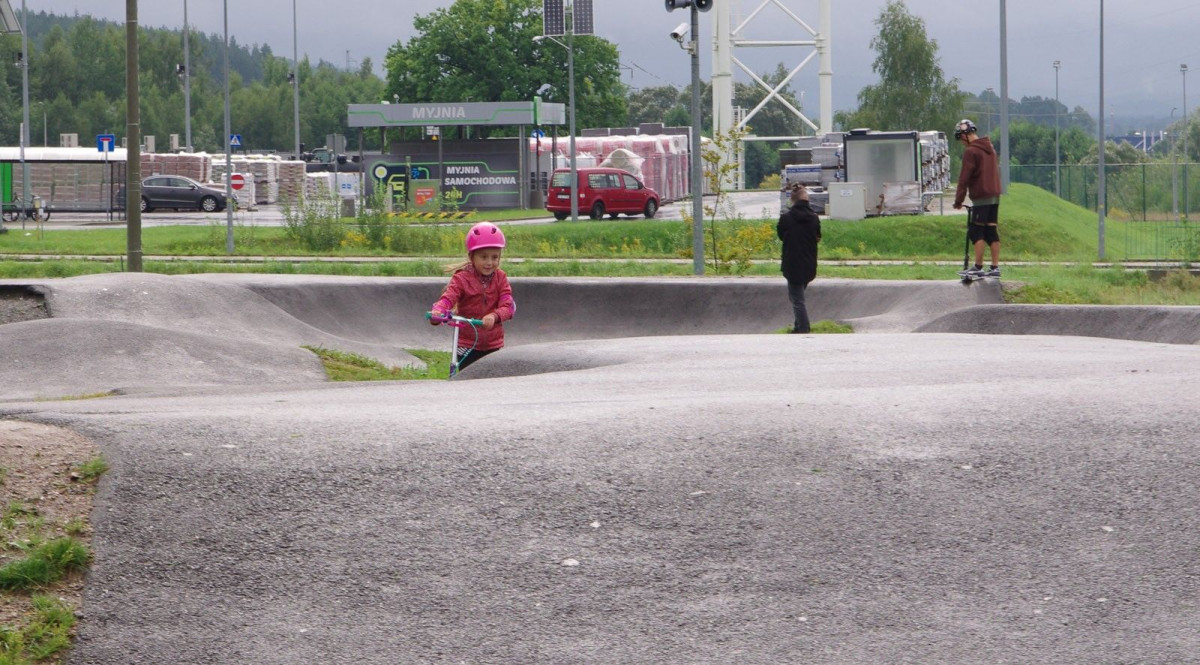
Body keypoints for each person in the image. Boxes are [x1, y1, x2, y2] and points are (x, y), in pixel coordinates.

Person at [429, 221, 516, 371]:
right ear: (471, 257)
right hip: (466, 344)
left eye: (494, 257)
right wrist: (439, 310)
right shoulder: (461, 278)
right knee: (466, 380)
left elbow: (508, 306)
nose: (489, 262)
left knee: (491, 381)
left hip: (493, 344)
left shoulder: (501, 278)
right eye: (483, 257)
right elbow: (449, 297)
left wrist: (494, 316)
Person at [952, 118, 1003, 278]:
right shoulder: (990, 148)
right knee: (991, 230)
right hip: (994, 195)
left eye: (960, 137)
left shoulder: (971, 151)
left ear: (965, 134)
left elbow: (964, 178)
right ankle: (995, 268)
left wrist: (958, 200)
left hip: (981, 195)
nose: (961, 142)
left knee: (976, 230)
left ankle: (978, 267)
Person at [776, 183, 821, 334]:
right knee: (798, 297)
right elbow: (817, 237)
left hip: (792, 263)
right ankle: (798, 325)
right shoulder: (814, 218)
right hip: (809, 263)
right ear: (807, 200)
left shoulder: (786, 218)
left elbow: (781, 236)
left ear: (792, 200)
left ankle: (803, 327)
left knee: (797, 300)